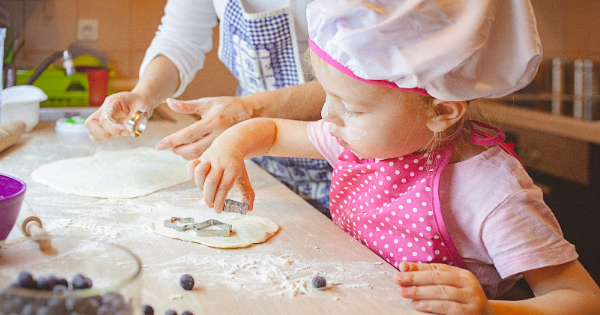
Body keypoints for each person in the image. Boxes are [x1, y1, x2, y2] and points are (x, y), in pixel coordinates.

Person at [186, 0, 600, 313]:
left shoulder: (492, 193)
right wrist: (231, 145)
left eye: (352, 106)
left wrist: (492, 309)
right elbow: (272, 131)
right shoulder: (363, 142)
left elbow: (582, 297)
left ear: (440, 112)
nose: (328, 115)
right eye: (327, 95)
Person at [84, 0, 333, 215]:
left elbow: (362, 81)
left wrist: (251, 112)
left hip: (340, 158)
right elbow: (180, 39)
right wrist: (144, 93)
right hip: (261, 162)